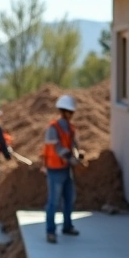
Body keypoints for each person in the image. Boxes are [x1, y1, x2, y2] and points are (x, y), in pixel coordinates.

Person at [43, 94, 85, 243]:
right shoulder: (53, 128)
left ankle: (67, 226)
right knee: (53, 202)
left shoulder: (70, 128)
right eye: (70, 112)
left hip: (66, 169)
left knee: (69, 199)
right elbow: (56, 148)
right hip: (55, 170)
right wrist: (69, 156)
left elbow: (73, 144)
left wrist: (78, 154)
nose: (72, 114)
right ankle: (50, 231)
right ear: (64, 111)